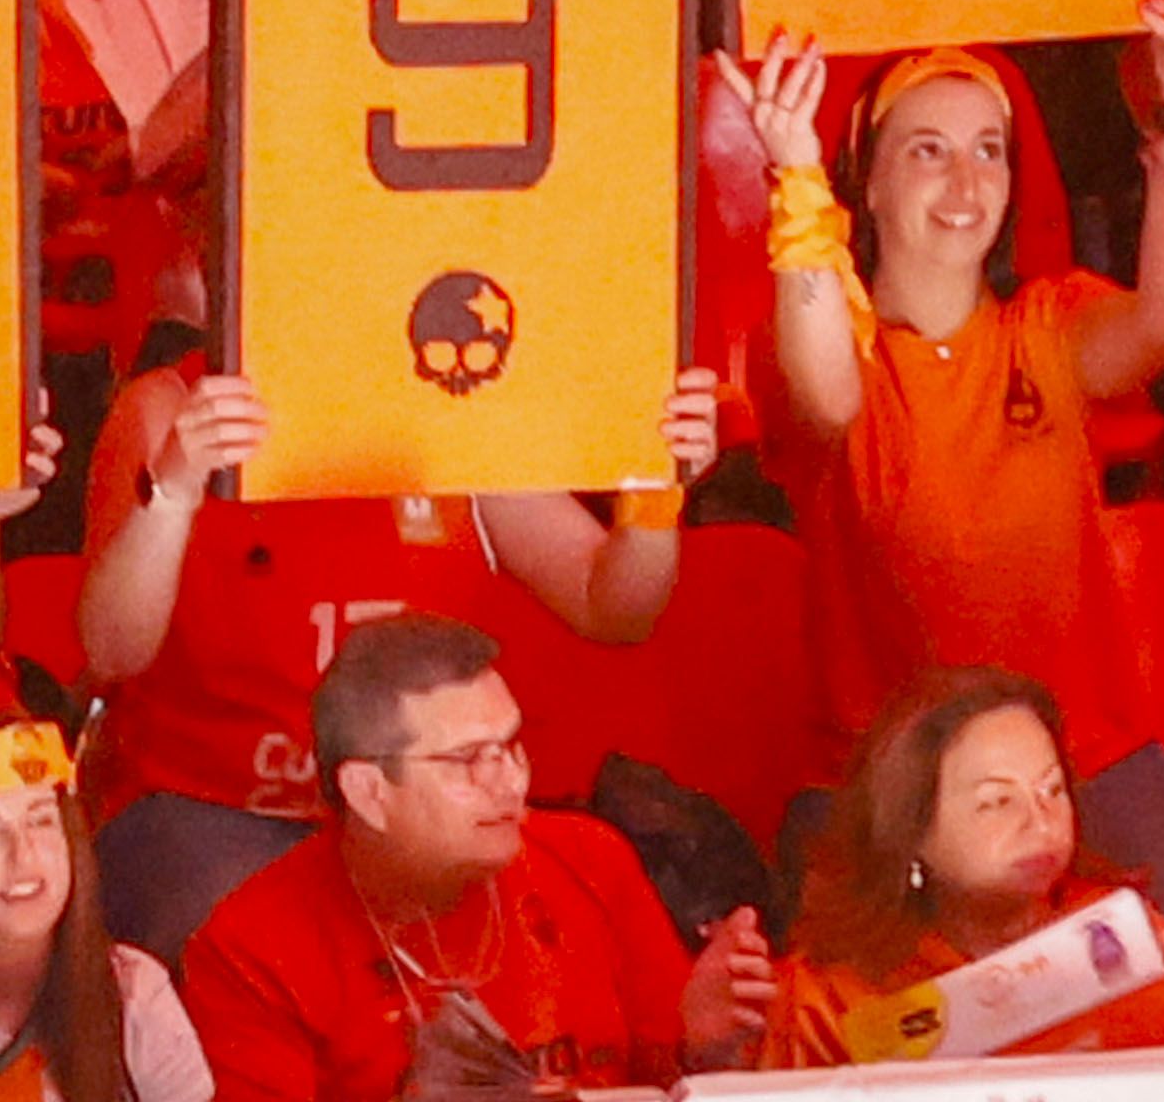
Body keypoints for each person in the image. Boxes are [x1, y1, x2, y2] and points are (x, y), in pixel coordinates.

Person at [729, 12, 1164, 943]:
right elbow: (824, 392)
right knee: (891, 1018)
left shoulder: (1046, 324)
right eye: (928, 152)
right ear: (869, 186)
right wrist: (797, 179)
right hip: (883, 780)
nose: (968, 184)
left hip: (1082, 759)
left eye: (990, 152)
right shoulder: (819, 346)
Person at [68, 355, 709, 960]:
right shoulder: (171, 407)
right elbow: (114, 649)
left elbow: (614, 607)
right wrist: (175, 491)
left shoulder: (455, 400)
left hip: (422, 814)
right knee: (265, 936)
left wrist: (653, 492)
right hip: (217, 812)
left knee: (577, 902)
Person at [174, 617, 771, 1101]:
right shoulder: (248, 950)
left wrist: (702, 1047)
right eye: (469, 760)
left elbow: (669, 1079)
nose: (509, 782)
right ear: (369, 792)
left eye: (512, 746)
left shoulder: (588, 856)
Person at [766, 673, 1164, 1066]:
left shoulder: (1128, 944)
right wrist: (713, 1053)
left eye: (1052, 790)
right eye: (996, 802)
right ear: (911, 826)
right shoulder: (825, 997)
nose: (1039, 820)